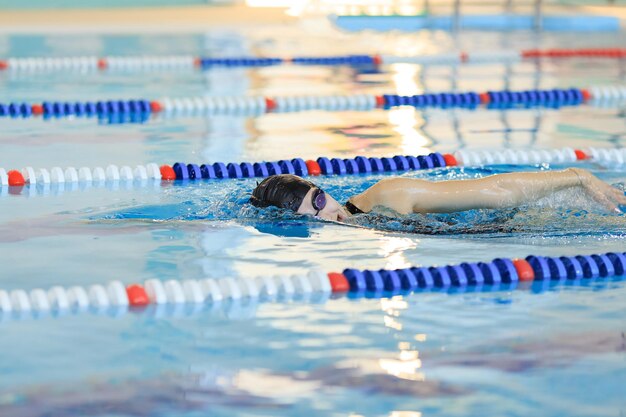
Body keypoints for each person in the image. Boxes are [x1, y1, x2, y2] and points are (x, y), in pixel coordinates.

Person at [249, 168, 626, 222]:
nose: (325, 214)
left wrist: (575, 177)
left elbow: (497, 190)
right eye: (308, 216)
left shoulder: (389, 196)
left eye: (319, 201)